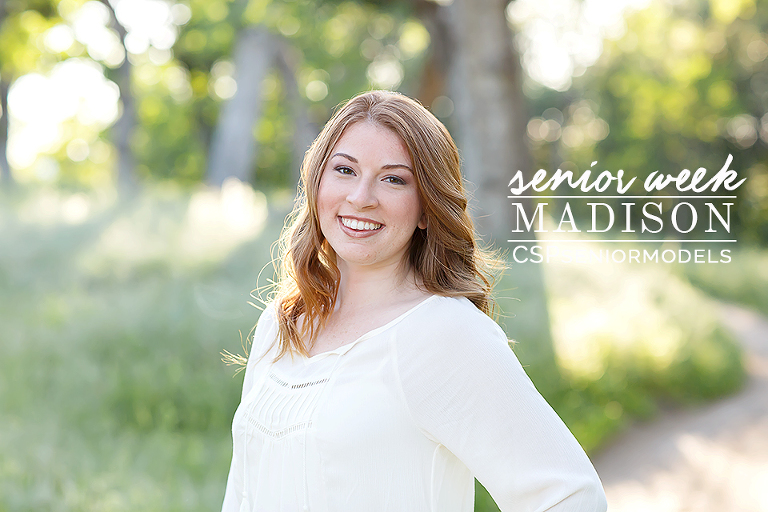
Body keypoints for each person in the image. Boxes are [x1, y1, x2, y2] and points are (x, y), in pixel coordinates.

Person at [221, 90, 607, 512]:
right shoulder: (284, 322)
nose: (361, 196)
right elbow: (242, 492)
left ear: (426, 209)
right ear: (317, 185)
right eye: (345, 170)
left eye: (393, 179)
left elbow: (571, 496)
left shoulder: (445, 333)